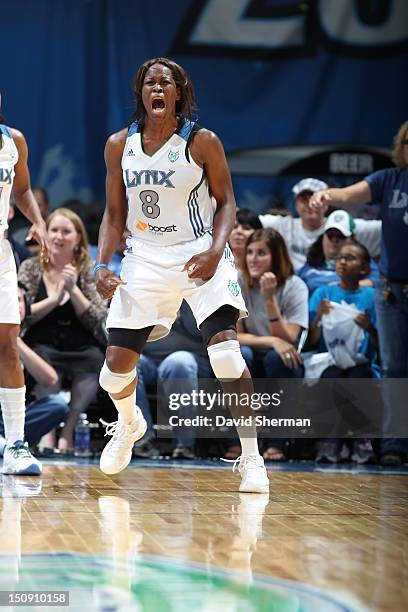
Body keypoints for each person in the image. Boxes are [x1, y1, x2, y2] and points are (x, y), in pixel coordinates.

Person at [94, 56, 269, 493]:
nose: (156, 89)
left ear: (178, 93)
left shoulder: (202, 141)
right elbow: (114, 215)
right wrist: (101, 264)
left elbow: (227, 201)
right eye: (149, 83)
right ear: (141, 92)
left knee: (227, 356)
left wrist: (216, 249)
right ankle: (130, 422)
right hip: (145, 256)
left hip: (198, 252)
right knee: (113, 373)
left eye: (164, 83)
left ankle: (252, 459)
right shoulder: (119, 144)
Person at [310, 120, 408, 466]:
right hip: (393, 290)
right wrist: (327, 195)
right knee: (395, 369)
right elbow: (350, 194)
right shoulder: (390, 180)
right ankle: (395, 445)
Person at [18, 208, 107, 451]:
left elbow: (100, 321)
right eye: (53, 230)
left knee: (95, 360)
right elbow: (20, 316)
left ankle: (69, 425)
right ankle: (47, 428)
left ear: (78, 238)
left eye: (66, 231)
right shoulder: (31, 267)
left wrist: (74, 291)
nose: (58, 236)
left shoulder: (90, 268)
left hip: (80, 343)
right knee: (42, 358)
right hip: (42, 342)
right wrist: (55, 300)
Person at [0, 107, 48, 475]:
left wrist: (40, 222)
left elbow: (22, 190)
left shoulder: (13, 141)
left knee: (7, 345)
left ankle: (16, 444)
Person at [237, 228, 309, 461]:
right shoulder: (239, 281)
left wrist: (269, 299)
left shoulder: (295, 286)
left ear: (276, 257)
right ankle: (237, 442)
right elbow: (234, 336)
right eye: (249, 252)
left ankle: (278, 442)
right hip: (253, 351)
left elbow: (290, 340)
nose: (253, 259)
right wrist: (272, 340)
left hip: (280, 357)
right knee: (238, 356)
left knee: (278, 358)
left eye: (261, 253)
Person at [308, 239, 378, 463]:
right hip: (330, 360)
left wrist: (369, 328)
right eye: (340, 258)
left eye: (350, 258)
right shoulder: (323, 294)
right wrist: (319, 316)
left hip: (362, 363)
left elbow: (381, 343)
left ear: (364, 268)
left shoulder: (371, 298)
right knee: (332, 377)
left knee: (359, 376)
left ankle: (362, 438)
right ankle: (330, 438)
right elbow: (309, 341)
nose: (343, 262)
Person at [0, 283, 69, 454]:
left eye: (18, 300)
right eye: (9, 300)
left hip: (17, 415)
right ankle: (9, 445)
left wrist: (15, 341)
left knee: (58, 404)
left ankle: (8, 444)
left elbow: (50, 379)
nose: (14, 305)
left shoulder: (33, 337)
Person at [260, 178, 382, 271]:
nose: (309, 204)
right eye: (303, 199)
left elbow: (388, 229)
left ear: (327, 204)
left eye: (314, 199)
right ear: (296, 204)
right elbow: (246, 222)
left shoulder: (343, 226)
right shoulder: (282, 225)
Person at [298, 209, 380, 295]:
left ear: (352, 239)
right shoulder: (312, 261)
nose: (334, 240)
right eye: (330, 235)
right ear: (323, 237)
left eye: (340, 236)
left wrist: (348, 287)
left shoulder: (361, 263)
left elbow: (379, 282)